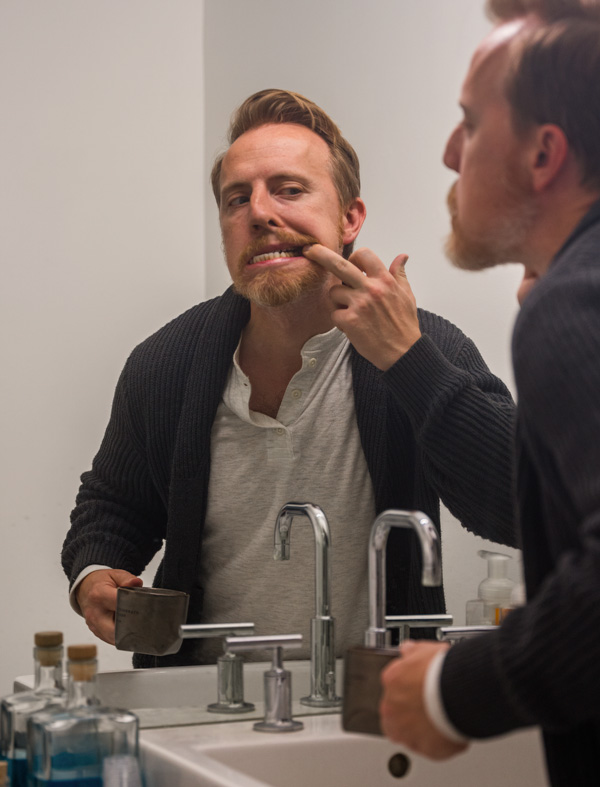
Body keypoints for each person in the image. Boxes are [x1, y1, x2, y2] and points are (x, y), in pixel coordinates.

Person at [62, 88, 516, 669]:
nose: (259, 213)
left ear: (349, 217)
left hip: (377, 703)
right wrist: (93, 576)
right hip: (203, 703)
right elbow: (113, 506)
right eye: (235, 200)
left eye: (289, 189)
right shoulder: (164, 363)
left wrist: (408, 361)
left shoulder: (427, 347)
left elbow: (516, 503)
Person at [376, 2, 600, 785]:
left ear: (545, 153)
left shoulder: (571, 304)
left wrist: (450, 689)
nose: (447, 153)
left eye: (469, 124)